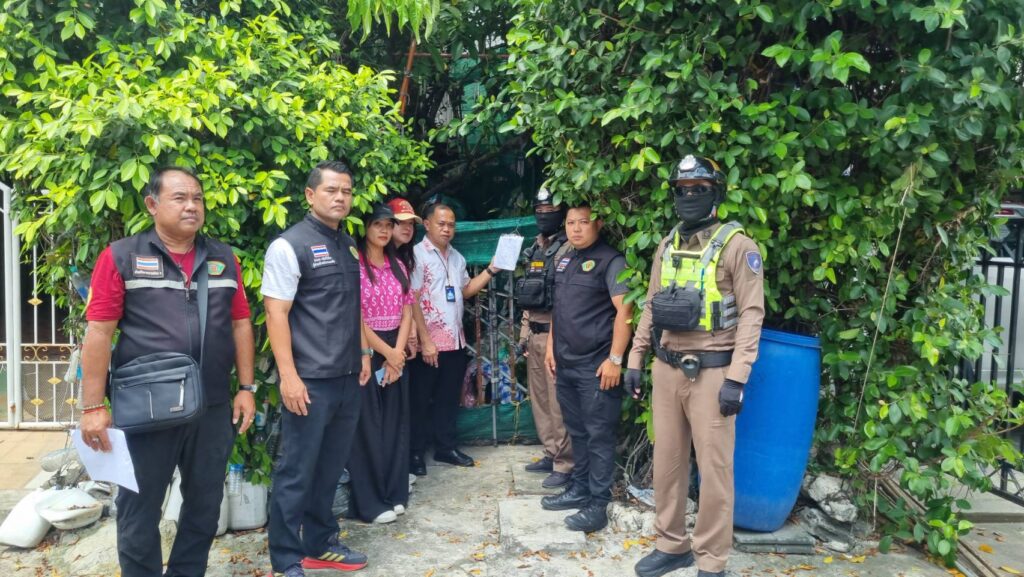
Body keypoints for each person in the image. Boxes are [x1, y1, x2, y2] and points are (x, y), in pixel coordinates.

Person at [79, 166, 256, 577]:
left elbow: (241, 324)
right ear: (152, 205)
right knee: (139, 508)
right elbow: (99, 332)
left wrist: (246, 387)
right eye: (180, 198)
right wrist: (92, 406)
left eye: (197, 198)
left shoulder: (223, 258)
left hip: (211, 405)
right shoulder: (121, 256)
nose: (192, 206)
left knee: (205, 506)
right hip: (146, 407)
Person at [628, 155, 765, 577]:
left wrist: (737, 378)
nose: (689, 197)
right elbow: (651, 304)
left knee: (715, 471)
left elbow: (752, 315)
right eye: (682, 190)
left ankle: (711, 559)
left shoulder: (739, 246)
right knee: (667, 464)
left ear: (716, 194)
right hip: (667, 369)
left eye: (699, 190)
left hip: (713, 373)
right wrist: (635, 357)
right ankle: (672, 545)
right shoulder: (667, 244)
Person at [262, 160, 372, 577]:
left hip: (346, 377)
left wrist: (364, 353)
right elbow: (276, 313)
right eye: (331, 190)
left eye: (346, 191)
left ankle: (320, 544)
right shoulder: (289, 246)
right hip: (309, 381)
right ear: (310, 195)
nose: (340, 197)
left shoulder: (347, 245)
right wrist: (289, 377)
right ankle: (285, 558)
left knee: (330, 468)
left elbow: (350, 306)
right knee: (296, 471)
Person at [541, 203, 633, 533]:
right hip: (566, 363)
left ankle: (598, 503)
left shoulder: (611, 261)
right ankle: (579, 489)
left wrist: (615, 359)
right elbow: (560, 308)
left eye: (583, 222)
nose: (576, 228)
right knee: (577, 431)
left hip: (596, 367)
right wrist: (551, 347)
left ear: (598, 224)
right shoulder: (566, 258)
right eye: (570, 223)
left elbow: (625, 311)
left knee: (598, 435)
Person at [408, 202, 497, 474]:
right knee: (419, 399)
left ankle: (445, 448)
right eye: (441, 224)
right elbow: (412, 299)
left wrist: (491, 270)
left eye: (451, 225)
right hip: (428, 344)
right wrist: (424, 340)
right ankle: (414, 453)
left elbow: (465, 290)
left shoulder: (457, 257)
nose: (447, 229)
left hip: (455, 341)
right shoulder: (416, 255)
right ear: (427, 224)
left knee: (448, 399)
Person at [348, 204, 414, 525]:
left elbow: (407, 310)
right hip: (366, 348)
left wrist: (397, 354)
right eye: (378, 224)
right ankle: (370, 503)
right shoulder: (356, 266)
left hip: (395, 349)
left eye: (389, 225)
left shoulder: (398, 264)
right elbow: (357, 317)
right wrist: (387, 352)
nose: (385, 230)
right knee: (368, 426)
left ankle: (395, 493)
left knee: (395, 424)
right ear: (365, 227)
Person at [516, 187, 574, 489]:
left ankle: (565, 463)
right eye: (539, 211)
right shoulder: (534, 248)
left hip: (556, 335)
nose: (543, 215)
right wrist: (523, 335)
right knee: (539, 400)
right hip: (535, 335)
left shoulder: (568, 249)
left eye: (550, 210)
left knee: (558, 403)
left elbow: (565, 300)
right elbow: (529, 296)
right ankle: (551, 453)